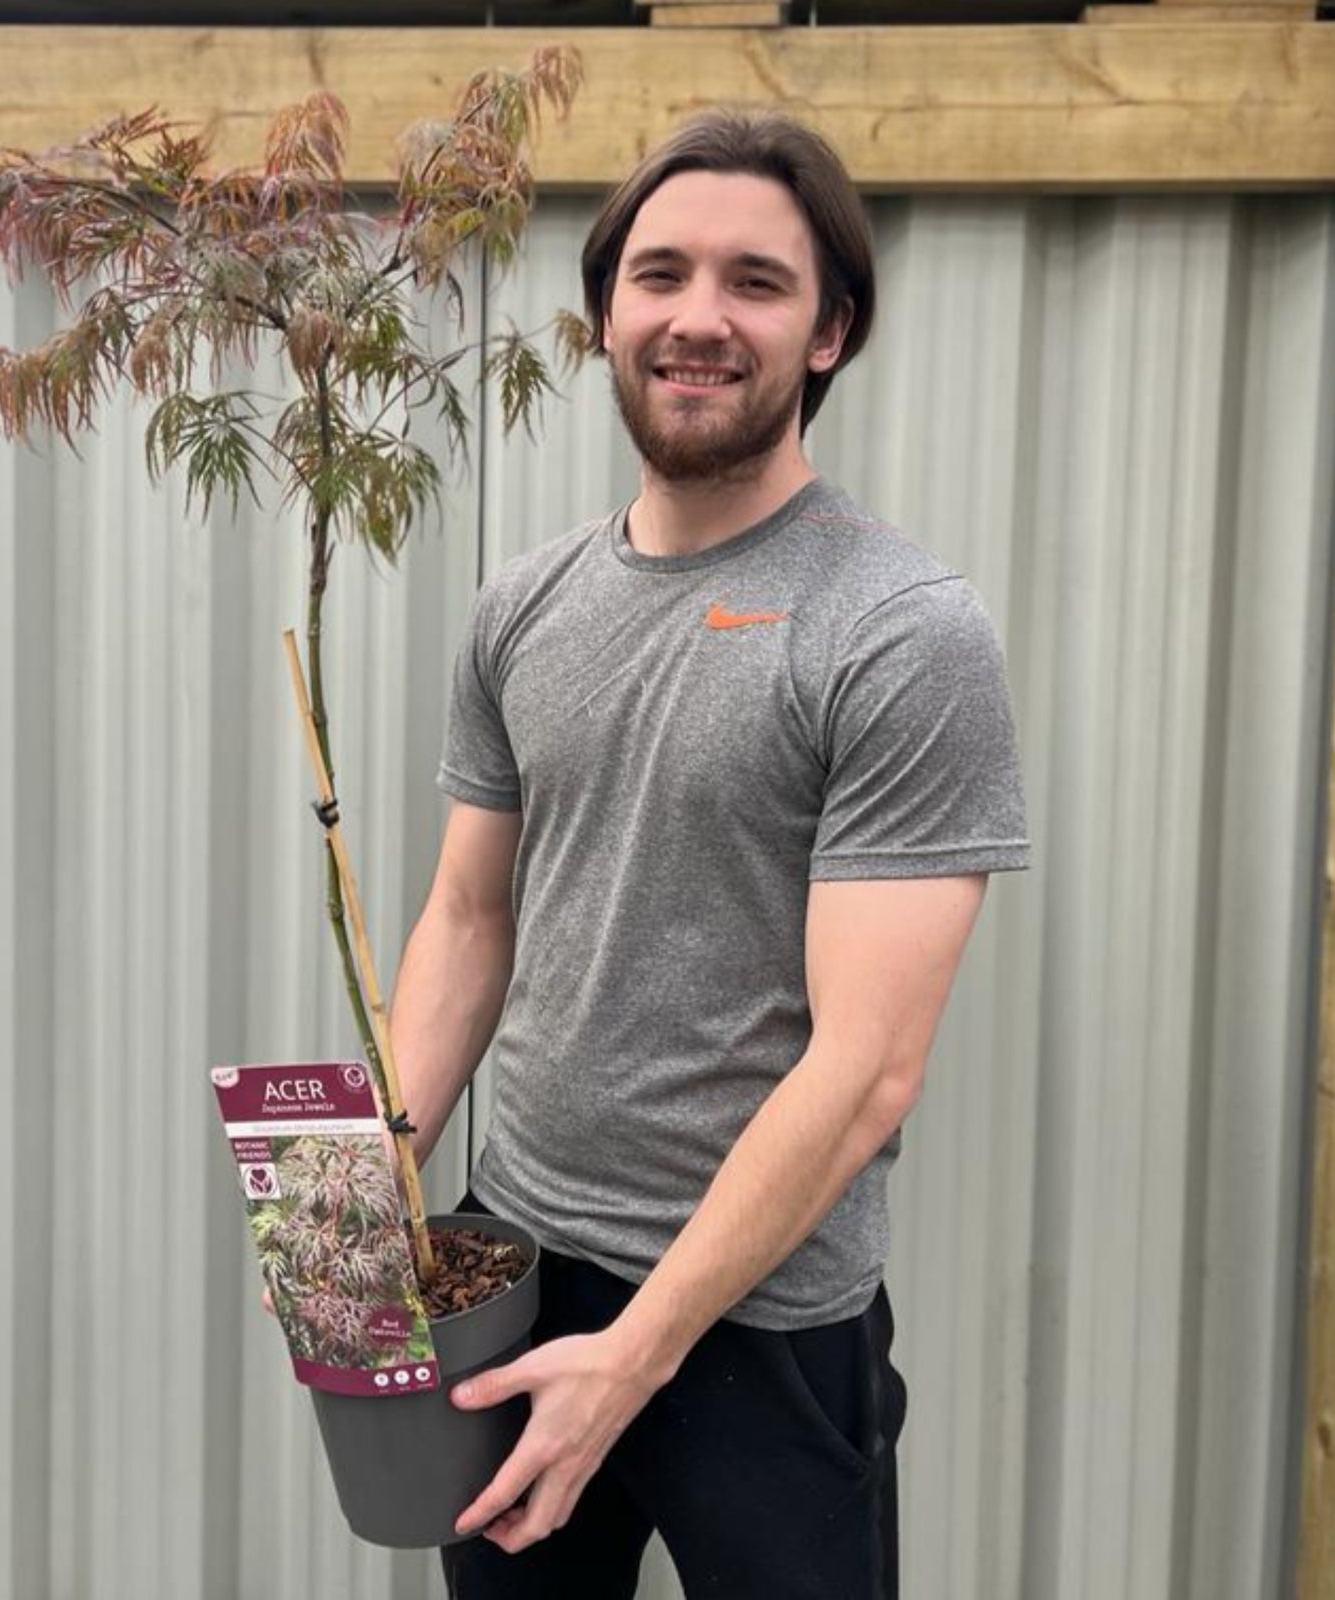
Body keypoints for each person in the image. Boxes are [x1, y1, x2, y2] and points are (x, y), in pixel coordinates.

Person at [387, 110, 1029, 1600]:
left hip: (764, 1325)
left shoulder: (899, 630)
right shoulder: (523, 605)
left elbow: (868, 1067)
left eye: (755, 281)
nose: (697, 317)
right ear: (607, 314)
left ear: (828, 331)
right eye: (659, 274)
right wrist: (376, 1181)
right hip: (520, 1277)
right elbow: (470, 919)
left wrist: (639, 1353)